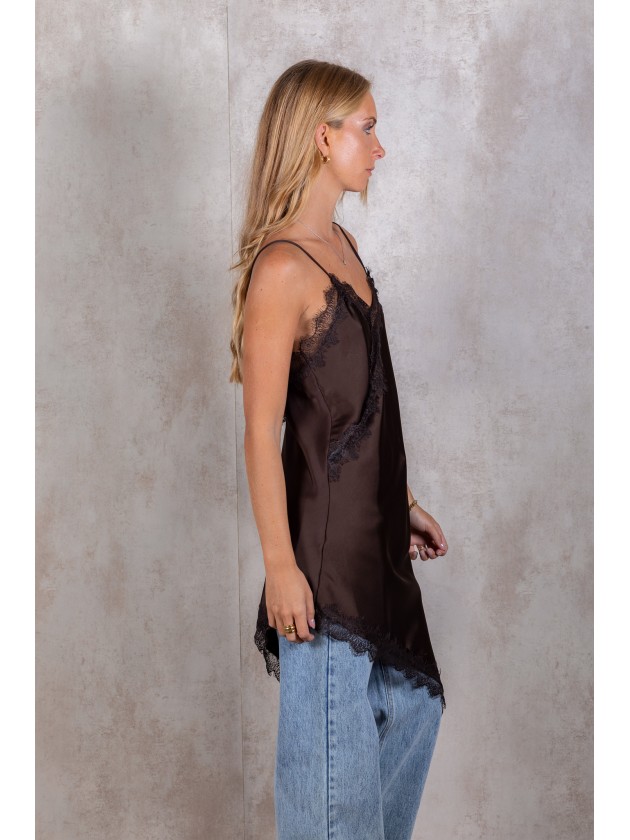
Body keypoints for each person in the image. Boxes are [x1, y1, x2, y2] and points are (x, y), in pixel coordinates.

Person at [229, 59, 449, 840]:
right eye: (367, 128)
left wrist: (404, 501)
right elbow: (262, 434)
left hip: (377, 556)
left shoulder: (344, 246)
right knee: (334, 812)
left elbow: (361, 404)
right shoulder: (283, 268)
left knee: (415, 714)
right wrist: (280, 566)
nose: (379, 148)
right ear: (323, 139)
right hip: (322, 576)